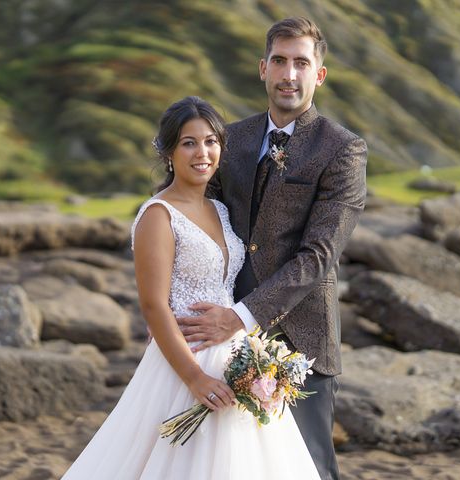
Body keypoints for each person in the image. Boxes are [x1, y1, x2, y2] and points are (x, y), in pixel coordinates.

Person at [60, 96, 320, 479]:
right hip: (185, 365)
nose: (203, 152)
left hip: (235, 357)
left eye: (211, 141)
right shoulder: (157, 215)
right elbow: (153, 306)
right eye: (189, 142)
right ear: (169, 152)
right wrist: (194, 377)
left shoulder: (219, 209)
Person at [178, 17, 368, 480]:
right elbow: (199, 225)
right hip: (221, 340)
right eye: (279, 61)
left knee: (308, 469)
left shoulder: (343, 149)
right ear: (263, 68)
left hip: (303, 343)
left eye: (301, 63)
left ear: (318, 74)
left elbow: (319, 255)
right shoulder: (231, 140)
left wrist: (241, 317)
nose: (289, 74)